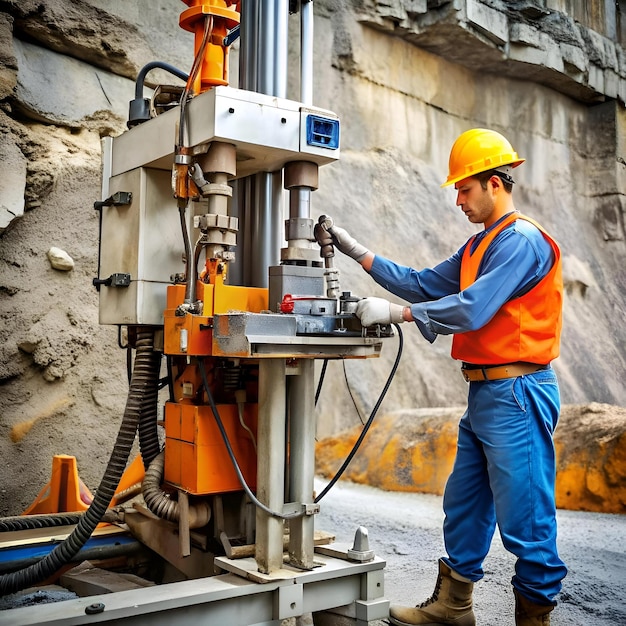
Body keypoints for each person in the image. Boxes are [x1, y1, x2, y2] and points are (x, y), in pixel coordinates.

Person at [323, 128, 567, 626]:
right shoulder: (480, 246)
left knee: (525, 518)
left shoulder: (520, 242)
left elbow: (474, 310)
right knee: (465, 505)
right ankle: (453, 608)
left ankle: (535, 619)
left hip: (518, 392)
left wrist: (396, 315)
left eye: (465, 188)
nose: (458, 199)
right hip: (486, 394)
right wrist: (356, 251)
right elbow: (421, 284)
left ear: (496, 183)